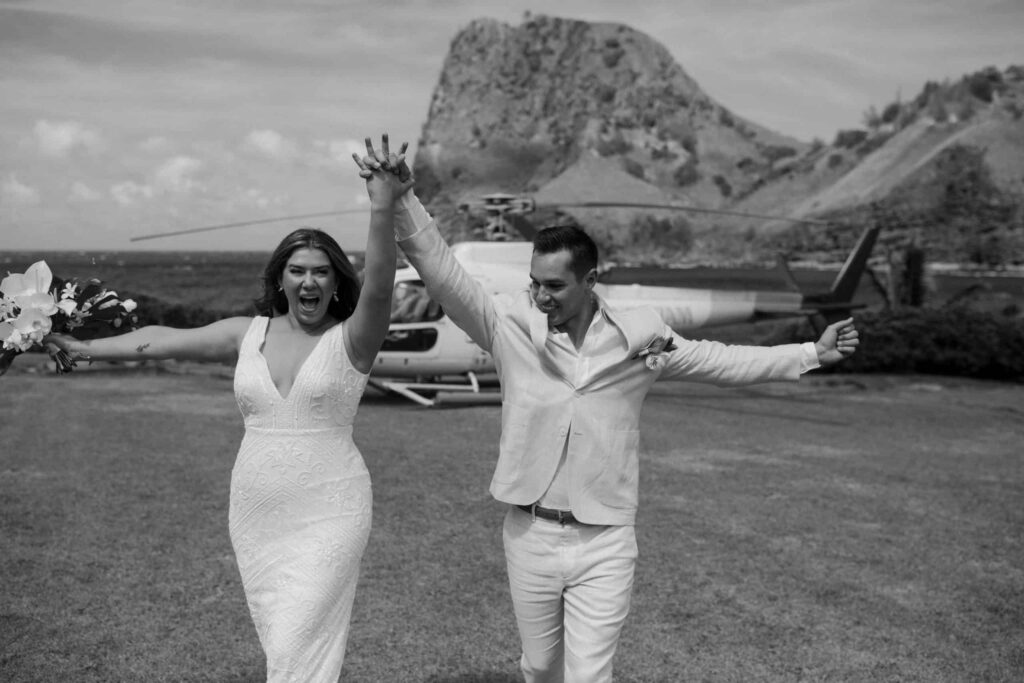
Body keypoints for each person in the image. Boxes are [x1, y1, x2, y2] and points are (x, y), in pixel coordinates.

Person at [360, 140, 859, 683]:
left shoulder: (641, 335)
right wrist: (404, 199)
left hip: (606, 539)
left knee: (590, 675)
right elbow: (442, 273)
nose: (540, 296)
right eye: (534, 284)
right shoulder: (508, 328)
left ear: (590, 282)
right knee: (539, 667)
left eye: (554, 286)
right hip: (530, 534)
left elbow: (720, 360)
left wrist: (811, 353)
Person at [46, 135, 413, 682]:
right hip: (257, 513)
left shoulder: (354, 339)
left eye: (320, 271)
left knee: (296, 646)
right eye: (297, 270)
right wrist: (86, 348)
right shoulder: (246, 333)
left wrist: (381, 206)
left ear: (337, 281)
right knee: (282, 643)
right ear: (281, 279)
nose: (308, 280)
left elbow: (381, 286)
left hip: (332, 511)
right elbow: (161, 338)